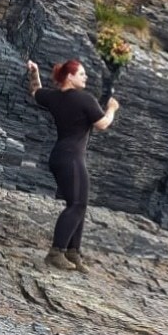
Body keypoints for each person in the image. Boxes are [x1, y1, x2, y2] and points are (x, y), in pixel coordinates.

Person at [26, 57, 119, 272]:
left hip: (59, 156)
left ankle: (72, 252)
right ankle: (56, 253)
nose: (86, 77)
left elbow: (35, 91)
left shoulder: (54, 97)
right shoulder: (84, 99)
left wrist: (34, 71)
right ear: (70, 76)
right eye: (82, 74)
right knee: (76, 205)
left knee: (79, 205)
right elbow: (103, 124)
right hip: (72, 157)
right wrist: (112, 108)